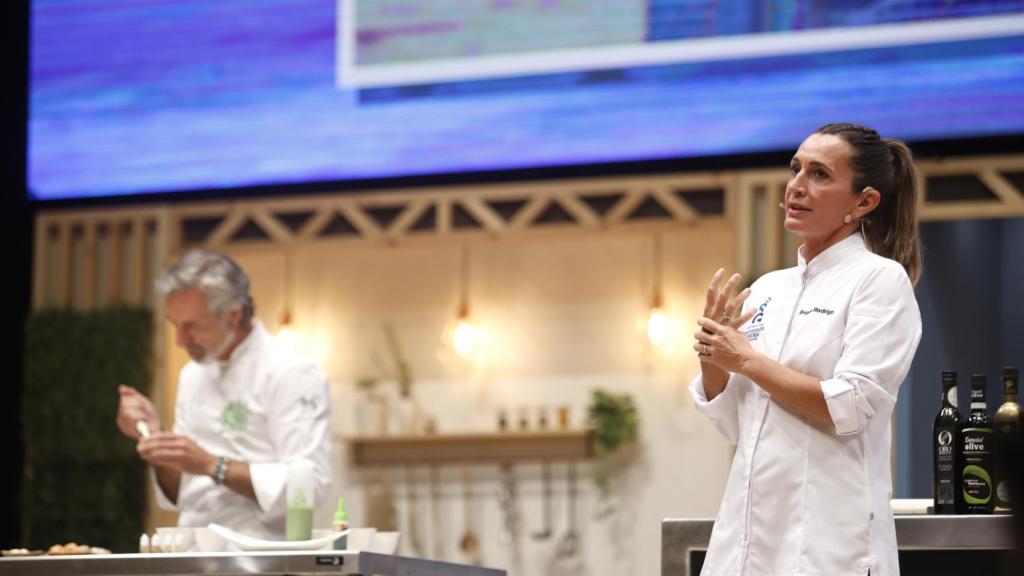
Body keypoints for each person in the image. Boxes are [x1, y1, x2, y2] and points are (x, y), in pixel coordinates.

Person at [690, 123, 923, 575]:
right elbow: (737, 423)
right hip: (745, 541)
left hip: (829, 546)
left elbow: (850, 406)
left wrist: (747, 360)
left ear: (864, 201)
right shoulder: (768, 288)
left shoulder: (879, 280)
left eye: (819, 175)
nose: (796, 186)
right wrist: (713, 354)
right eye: (795, 169)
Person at [116, 249, 332, 539]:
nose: (180, 341)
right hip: (194, 550)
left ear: (233, 315)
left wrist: (212, 465)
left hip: (263, 555)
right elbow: (184, 493)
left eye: (191, 326)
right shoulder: (193, 375)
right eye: (175, 326)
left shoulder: (290, 372)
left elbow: (308, 487)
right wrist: (155, 438)